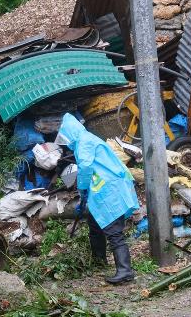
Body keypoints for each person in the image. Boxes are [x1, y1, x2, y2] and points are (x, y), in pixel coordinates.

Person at [56, 113, 139, 285]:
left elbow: (85, 167)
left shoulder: (84, 142)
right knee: (95, 225)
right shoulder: (82, 141)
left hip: (110, 189)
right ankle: (99, 260)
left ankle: (125, 271)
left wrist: (82, 189)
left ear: (70, 132)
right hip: (103, 189)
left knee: (113, 230)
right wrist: (84, 198)